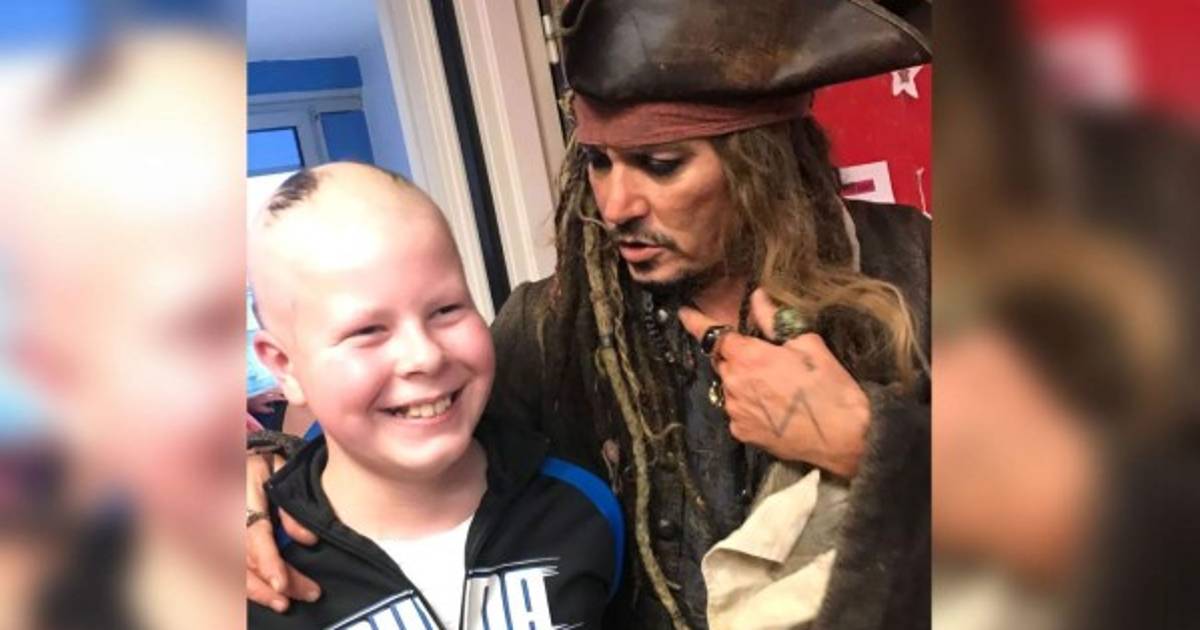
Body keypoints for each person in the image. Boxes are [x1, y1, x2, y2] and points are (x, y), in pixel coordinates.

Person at [248, 1, 933, 628]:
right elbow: (401, 427)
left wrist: (868, 443)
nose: (614, 206)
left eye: (660, 165)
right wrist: (259, 478)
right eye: (599, 163)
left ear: (763, 163)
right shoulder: (550, 327)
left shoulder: (915, 264)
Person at [246, 162, 622, 629]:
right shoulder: (250, 578)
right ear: (284, 365)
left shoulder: (582, 510)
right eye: (367, 330)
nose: (424, 355)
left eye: (446, 309)